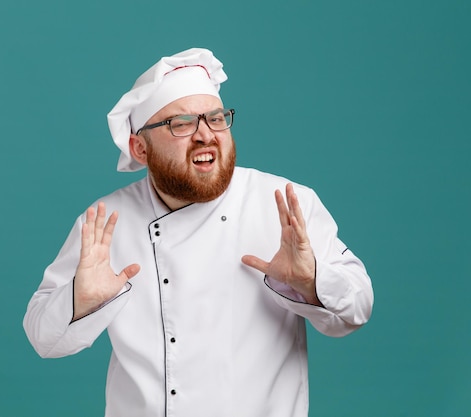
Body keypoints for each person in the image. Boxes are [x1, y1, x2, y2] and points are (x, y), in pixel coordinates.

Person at [23, 47, 374, 417]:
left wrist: (313, 281)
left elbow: (357, 311)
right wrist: (79, 299)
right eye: (182, 123)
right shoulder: (106, 224)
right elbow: (43, 339)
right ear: (140, 148)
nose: (206, 135)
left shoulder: (283, 206)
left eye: (217, 118)